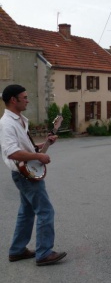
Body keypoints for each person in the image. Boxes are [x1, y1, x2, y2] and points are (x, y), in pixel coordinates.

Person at [0, 84, 67, 266]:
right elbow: (12, 152)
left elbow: (24, 148)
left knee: (26, 212)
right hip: (24, 175)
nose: (28, 100)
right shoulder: (7, 124)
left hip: (26, 173)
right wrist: (39, 156)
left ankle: (17, 250)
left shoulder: (20, 120)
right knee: (45, 211)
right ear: (14, 100)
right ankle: (44, 253)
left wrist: (44, 144)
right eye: (24, 97)